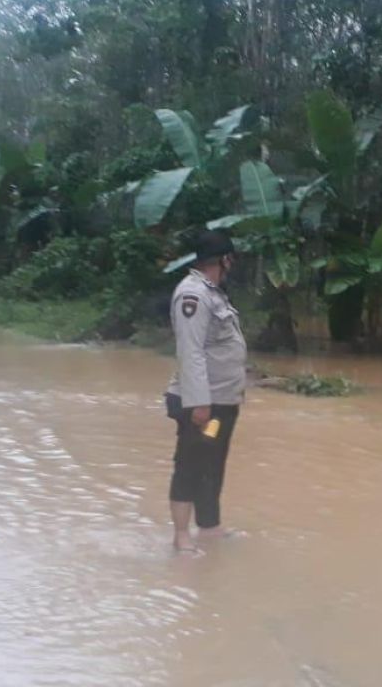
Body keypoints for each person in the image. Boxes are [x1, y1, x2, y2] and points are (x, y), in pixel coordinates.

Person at [163, 230, 247, 557]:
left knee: (212, 461)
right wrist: (199, 404)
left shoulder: (214, 293)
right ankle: (181, 537)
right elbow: (191, 352)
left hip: (221, 403)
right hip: (201, 406)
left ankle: (210, 528)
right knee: (191, 462)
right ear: (225, 260)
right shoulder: (193, 295)